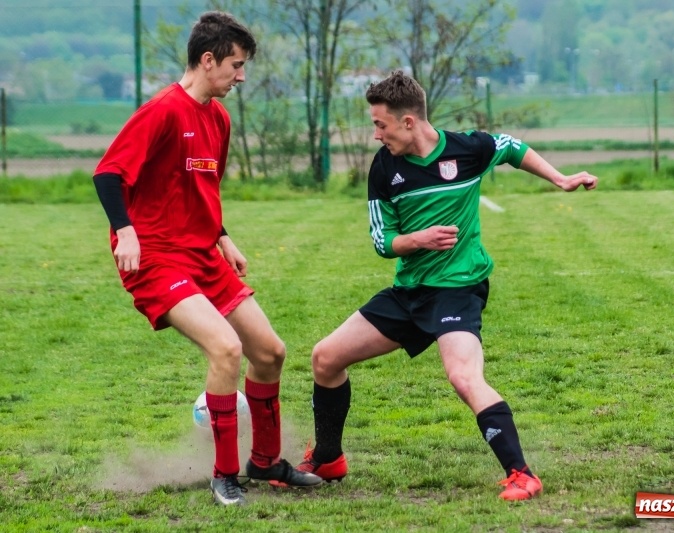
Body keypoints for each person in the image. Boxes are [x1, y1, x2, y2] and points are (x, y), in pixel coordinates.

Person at [296, 71, 598, 501]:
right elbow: (382, 241)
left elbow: (511, 146)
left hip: (457, 289)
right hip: (410, 292)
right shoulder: (384, 167)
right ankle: (328, 458)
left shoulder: (466, 149)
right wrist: (417, 240)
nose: (376, 134)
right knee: (325, 358)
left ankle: (521, 474)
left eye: (380, 124)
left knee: (462, 376)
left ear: (408, 122)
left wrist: (560, 178)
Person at [92, 11, 322, 506]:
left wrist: (223, 236)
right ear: (208, 59)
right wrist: (125, 231)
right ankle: (224, 475)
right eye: (236, 65)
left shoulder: (218, 118)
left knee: (270, 352)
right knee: (226, 348)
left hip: (201, 254)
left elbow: (201, 187)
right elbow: (107, 175)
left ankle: (266, 461)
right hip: (155, 258)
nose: (242, 76)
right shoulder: (162, 111)